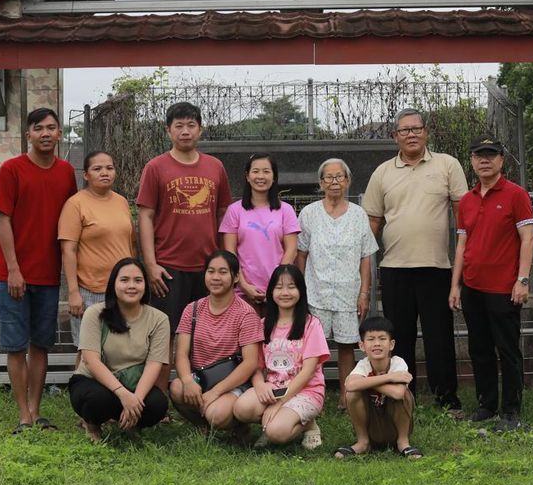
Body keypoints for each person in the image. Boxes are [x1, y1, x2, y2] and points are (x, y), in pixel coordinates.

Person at [362, 107, 468, 418]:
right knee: (400, 338)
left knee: (439, 336)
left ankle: (447, 399)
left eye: (416, 128)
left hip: (436, 267)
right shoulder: (383, 172)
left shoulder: (447, 165)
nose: (411, 134)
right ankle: (403, 397)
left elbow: (463, 216)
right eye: (404, 130)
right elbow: (372, 224)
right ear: (395, 136)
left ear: (426, 132)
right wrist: (368, 269)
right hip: (394, 269)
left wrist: (463, 263)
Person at [136, 102, 233, 391]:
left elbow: (222, 215)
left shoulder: (215, 167)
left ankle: (202, 392)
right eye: (178, 125)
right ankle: (161, 398)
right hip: (168, 267)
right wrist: (151, 264)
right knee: (164, 334)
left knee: (205, 334)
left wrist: (224, 261)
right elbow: (145, 216)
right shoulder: (156, 167)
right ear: (168, 131)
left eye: (191, 125)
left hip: (207, 269)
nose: (185, 131)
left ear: (200, 129)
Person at [0, 107, 77, 434]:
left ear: (59, 134)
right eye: (38, 128)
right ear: (27, 134)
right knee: (15, 345)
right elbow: (3, 219)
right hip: (13, 275)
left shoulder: (66, 172)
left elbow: (70, 220)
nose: (45, 133)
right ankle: (23, 414)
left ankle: (37, 410)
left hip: (48, 273)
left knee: (41, 344)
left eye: (51, 128)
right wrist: (13, 268)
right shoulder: (12, 170)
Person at [448, 135, 533, 432]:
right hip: (472, 287)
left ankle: (511, 411)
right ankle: (487, 404)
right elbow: (461, 245)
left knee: (507, 350)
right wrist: (455, 285)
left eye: (491, 154)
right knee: (479, 348)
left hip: (504, 288)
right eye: (478, 155)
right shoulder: (467, 201)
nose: (484, 160)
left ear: (501, 159)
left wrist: (522, 280)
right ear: (471, 161)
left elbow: (527, 240)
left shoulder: (516, 195)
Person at [296, 158, 378, 410]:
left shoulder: (358, 214)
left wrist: (364, 293)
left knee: (346, 346)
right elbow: (301, 253)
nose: (334, 182)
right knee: (313, 349)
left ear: (348, 181)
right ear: (320, 183)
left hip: (347, 292)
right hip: (315, 291)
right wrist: (300, 290)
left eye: (339, 177)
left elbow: (366, 257)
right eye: (328, 177)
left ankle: (346, 396)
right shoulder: (309, 213)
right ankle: (312, 397)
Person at [68, 258, 170, 441]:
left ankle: (132, 422)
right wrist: (123, 394)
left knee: (157, 404)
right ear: (113, 284)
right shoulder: (95, 313)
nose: (131, 285)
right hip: (95, 382)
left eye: (138, 280)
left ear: (145, 285)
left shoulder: (159, 319)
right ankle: (91, 424)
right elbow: (91, 360)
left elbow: (154, 364)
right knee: (97, 399)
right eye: (124, 280)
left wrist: (136, 400)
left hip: (134, 382)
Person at [233, 265, 330, 449]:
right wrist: (260, 385)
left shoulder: (311, 324)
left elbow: (308, 371)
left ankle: (308, 425)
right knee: (241, 409)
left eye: (291, 287)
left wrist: (280, 404)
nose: (285, 292)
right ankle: (273, 423)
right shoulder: (263, 325)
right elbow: (256, 365)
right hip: (273, 387)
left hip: (305, 391)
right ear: (271, 292)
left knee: (276, 432)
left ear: (301, 291)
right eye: (279, 287)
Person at [170, 250, 263, 434]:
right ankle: (203, 427)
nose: (215, 277)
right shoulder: (193, 309)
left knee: (216, 415)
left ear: (236, 277)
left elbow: (250, 362)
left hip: (234, 382)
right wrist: (188, 381)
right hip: (202, 377)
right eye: (211, 271)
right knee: (177, 388)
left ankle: (237, 426)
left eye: (222, 272)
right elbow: (181, 353)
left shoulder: (246, 314)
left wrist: (216, 391)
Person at [59, 151, 135, 354]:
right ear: (86, 175)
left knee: (121, 349)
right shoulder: (75, 204)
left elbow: (130, 244)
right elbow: (68, 249)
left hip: (123, 289)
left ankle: (119, 387)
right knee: (88, 352)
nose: (105, 173)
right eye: (97, 169)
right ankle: (83, 386)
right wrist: (73, 292)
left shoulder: (121, 202)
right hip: (90, 290)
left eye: (109, 168)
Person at [220, 153, 300, 313]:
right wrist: (243, 285)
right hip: (242, 293)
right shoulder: (235, 210)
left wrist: (277, 284)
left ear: (274, 177)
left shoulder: (286, 210)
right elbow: (230, 253)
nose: (260, 176)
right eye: (255, 171)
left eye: (266, 171)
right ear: (247, 176)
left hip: (279, 293)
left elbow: (291, 250)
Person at [335, 316, 421, 459]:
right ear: (362, 346)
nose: (377, 344)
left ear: (391, 344)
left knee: (406, 395)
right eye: (370, 339)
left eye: (382, 339)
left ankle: (403, 442)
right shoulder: (363, 365)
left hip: (392, 423)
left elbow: (398, 393)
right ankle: (363, 442)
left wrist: (366, 382)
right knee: (352, 394)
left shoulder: (398, 363)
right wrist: (389, 377)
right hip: (371, 423)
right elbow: (350, 385)